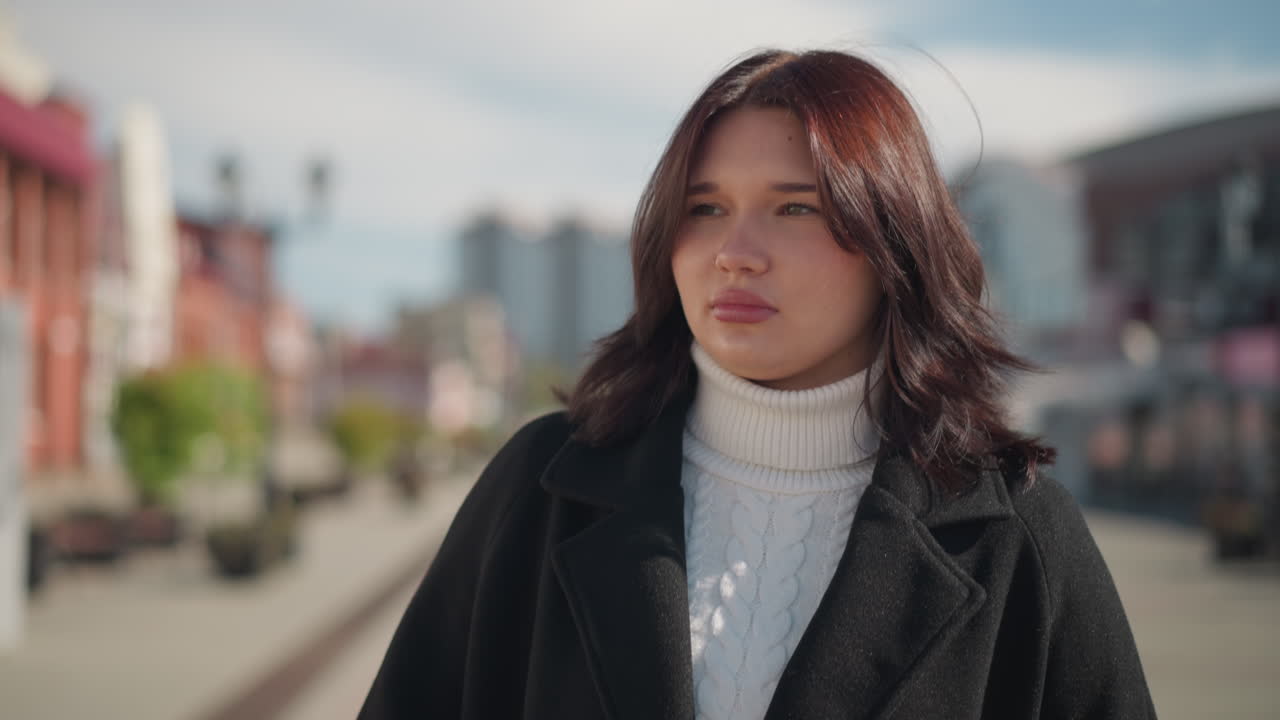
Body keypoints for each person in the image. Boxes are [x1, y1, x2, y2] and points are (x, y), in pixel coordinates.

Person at [359, 49, 1156, 720]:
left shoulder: (1015, 534)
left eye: (795, 209)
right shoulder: (542, 487)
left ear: (894, 245)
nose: (734, 252)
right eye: (704, 208)